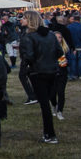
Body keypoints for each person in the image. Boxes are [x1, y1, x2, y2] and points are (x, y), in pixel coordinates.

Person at [20, 11, 61, 144]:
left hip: (38, 73)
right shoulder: (50, 35)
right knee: (46, 103)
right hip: (52, 71)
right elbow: (59, 52)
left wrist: (26, 64)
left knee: (44, 106)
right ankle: (49, 133)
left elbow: (29, 56)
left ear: (30, 20)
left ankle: (50, 134)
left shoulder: (29, 37)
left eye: (24, 18)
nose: (21, 20)